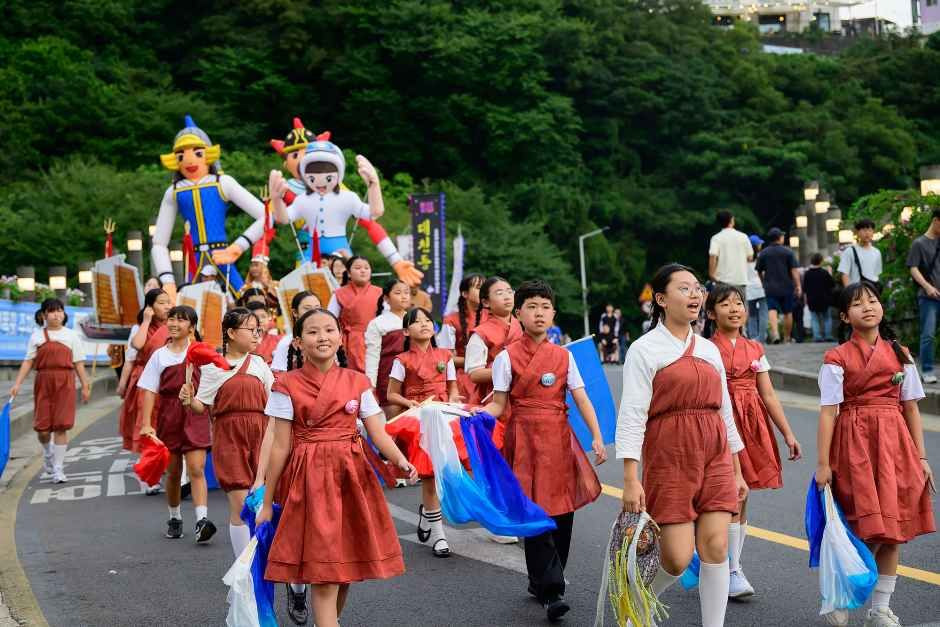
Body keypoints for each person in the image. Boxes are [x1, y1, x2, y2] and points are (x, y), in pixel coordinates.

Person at [256, 308, 417, 627]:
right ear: (298, 342)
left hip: (351, 477)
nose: (322, 337)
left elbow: (377, 432)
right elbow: (280, 446)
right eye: (313, 331)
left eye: (329, 330)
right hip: (308, 480)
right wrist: (266, 500)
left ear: (340, 337)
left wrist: (400, 459)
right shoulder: (285, 384)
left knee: (345, 570)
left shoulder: (357, 381)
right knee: (325, 574)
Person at [617, 264, 747, 627]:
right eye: (684, 288)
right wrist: (630, 478)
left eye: (697, 289)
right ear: (661, 299)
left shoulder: (709, 349)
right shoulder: (644, 349)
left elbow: (725, 411)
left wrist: (737, 470)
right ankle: (637, 603)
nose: (695, 295)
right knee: (676, 557)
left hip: (715, 455)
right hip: (670, 456)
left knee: (717, 548)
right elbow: (632, 415)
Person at [481, 280, 606, 622]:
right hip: (524, 442)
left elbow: (581, 398)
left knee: (563, 513)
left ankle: (543, 581)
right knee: (535, 512)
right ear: (519, 314)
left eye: (545, 307)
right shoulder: (506, 357)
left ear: (553, 314)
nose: (539, 313)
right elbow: (499, 404)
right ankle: (552, 591)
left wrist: (596, 436)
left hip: (559, 441)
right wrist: (476, 416)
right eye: (532, 307)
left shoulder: (565, 356)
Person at [816, 282, 935, 627]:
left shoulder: (901, 354)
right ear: (844, 317)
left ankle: (880, 609)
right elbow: (828, 412)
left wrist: (922, 458)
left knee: (894, 529)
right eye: (857, 304)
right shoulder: (836, 358)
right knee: (865, 526)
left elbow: (910, 408)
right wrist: (823, 464)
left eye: (872, 300)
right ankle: (841, 592)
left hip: (895, 447)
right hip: (854, 445)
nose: (867, 307)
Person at [704, 284, 802, 598]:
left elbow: (768, 394)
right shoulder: (705, 348)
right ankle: (721, 562)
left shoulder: (755, 348)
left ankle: (732, 567)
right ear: (711, 313)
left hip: (750, 424)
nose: (734, 309)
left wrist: (787, 433)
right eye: (725, 304)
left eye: (739, 303)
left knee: (741, 494)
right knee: (724, 493)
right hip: (718, 424)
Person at [183, 308, 274, 559]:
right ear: (231, 333)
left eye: (258, 330)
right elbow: (201, 406)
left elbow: (275, 398)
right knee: (241, 504)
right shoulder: (213, 368)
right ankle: (244, 569)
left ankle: (262, 561)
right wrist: (189, 399)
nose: (256, 335)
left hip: (261, 436)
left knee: (261, 502)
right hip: (229, 439)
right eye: (251, 330)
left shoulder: (259, 364)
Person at [386, 307, 461, 558]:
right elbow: (391, 394)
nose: (424, 324)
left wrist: (453, 400)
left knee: (445, 471)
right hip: (418, 419)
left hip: (443, 415)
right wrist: (408, 403)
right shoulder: (401, 360)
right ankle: (439, 535)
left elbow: (452, 388)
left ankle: (427, 516)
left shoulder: (445, 355)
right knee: (429, 475)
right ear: (406, 331)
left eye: (428, 320)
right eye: (417, 322)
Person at [138, 306, 216, 543]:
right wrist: (146, 424)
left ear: (192, 327)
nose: (174, 324)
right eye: (171, 319)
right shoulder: (159, 356)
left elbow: (214, 385)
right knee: (173, 472)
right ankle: (175, 517)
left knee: (196, 469)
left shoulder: (201, 352)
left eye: (181, 320)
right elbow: (149, 390)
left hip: (196, 413)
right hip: (169, 415)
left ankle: (202, 520)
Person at [10, 299, 91, 484]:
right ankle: (48, 453)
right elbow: (28, 361)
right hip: (44, 382)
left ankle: (58, 469)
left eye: (60, 311)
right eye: (52, 311)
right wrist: (17, 384)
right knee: (43, 429)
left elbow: (78, 363)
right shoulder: (36, 336)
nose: (57, 314)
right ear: (44, 315)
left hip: (65, 382)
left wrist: (85, 386)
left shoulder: (72, 336)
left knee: (61, 426)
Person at [119, 289, 172, 453]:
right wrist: (146, 320)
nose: (167, 306)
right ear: (150, 306)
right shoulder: (141, 327)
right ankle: (149, 459)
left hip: (169, 378)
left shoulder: (173, 325)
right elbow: (137, 345)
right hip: (145, 379)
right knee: (146, 419)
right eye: (161, 303)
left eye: (168, 302)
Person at [364, 278, 412, 416]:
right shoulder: (378, 323)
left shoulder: (415, 319)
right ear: (386, 298)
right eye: (398, 293)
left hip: (414, 375)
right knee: (394, 420)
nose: (404, 296)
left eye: (406, 292)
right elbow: (372, 356)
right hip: (388, 376)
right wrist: (371, 385)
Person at [327, 256, 382, 373]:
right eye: (358, 268)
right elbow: (329, 321)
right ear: (348, 273)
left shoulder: (380, 293)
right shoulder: (339, 294)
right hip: (348, 341)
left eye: (366, 268)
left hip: (375, 340)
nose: (363, 271)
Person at [437, 274, 486, 401]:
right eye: (478, 287)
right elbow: (445, 358)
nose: (483, 291)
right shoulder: (451, 320)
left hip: (491, 376)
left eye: (485, 287)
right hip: (463, 378)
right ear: (465, 294)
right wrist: (474, 362)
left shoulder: (493, 317)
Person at [906, 208, 940, 384]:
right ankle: (927, 370)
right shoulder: (919, 243)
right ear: (936, 221)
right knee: (928, 334)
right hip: (928, 297)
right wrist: (927, 287)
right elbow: (913, 268)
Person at [756, 228, 802, 344]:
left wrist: (763, 282)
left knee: (772, 309)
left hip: (770, 286)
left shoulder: (764, 253)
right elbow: (794, 271)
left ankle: (775, 333)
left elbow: (759, 271)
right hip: (787, 286)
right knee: (788, 312)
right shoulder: (788, 252)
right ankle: (787, 337)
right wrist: (798, 285)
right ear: (780, 238)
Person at [271, 291, 322, 372]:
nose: (313, 312)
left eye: (317, 308)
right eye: (307, 308)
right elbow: (279, 374)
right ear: (295, 312)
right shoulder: (286, 342)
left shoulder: (328, 337)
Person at [708, 210, 753, 294]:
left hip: (722, 281)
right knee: (740, 302)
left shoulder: (716, 238)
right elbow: (750, 257)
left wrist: (711, 275)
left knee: (722, 302)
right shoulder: (743, 237)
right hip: (740, 280)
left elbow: (713, 256)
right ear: (732, 220)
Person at [838, 219, 883, 288]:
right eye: (864, 230)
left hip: (872, 290)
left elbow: (876, 275)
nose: (867, 233)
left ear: (873, 232)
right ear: (857, 232)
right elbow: (844, 274)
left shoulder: (877, 252)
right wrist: (849, 292)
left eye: (870, 230)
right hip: (856, 290)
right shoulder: (849, 251)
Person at [803, 253, 836, 342]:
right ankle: (828, 335)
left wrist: (805, 300)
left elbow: (805, 288)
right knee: (827, 318)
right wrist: (830, 273)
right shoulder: (824, 272)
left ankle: (817, 336)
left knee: (814, 318)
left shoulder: (807, 273)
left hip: (812, 299)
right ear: (821, 261)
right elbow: (832, 284)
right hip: (824, 299)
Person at [745, 234, 768, 343]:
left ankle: (753, 338)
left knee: (752, 315)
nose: (760, 245)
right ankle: (762, 338)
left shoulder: (743, 258)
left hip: (749, 289)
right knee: (763, 314)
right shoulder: (762, 256)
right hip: (761, 287)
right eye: (759, 244)